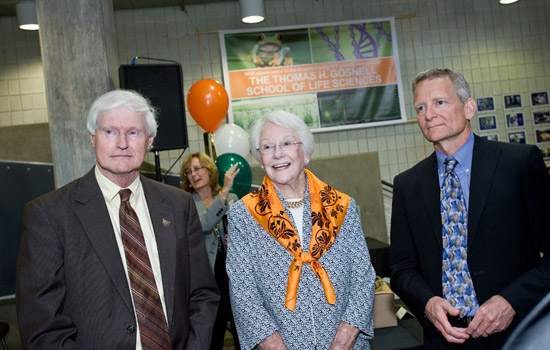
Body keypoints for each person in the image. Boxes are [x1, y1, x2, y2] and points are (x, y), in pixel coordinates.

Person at [16, 90, 219, 349]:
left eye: (133, 132)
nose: (122, 143)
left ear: (149, 141)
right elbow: (42, 327)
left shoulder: (178, 205)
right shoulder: (48, 215)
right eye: (110, 131)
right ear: (93, 138)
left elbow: (202, 293)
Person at [389, 68, 550, 349]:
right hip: (444, 338)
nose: (429, 114)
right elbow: (402, 270)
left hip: (518, 332)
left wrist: (511, 301)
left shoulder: (519, 164)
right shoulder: (407, 185)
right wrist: (427, 303)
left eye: (440, 102)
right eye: (420, 107)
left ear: (469, 107)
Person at [226, 110, 376, 349]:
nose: (277, 154)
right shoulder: (243, 216)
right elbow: (244, 294)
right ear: (259, 157)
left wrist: (345, 339)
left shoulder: (340, 207)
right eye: (267, 147)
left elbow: (363, 278)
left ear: (305, 152)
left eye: (286, 143)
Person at [179, 152, 240, 350]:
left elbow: (241, 230)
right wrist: (224, 191)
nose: (193, 174)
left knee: (242, 328)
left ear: (209, 170)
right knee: (214, 329)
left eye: (197, 169)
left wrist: (233, 238)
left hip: (233, 272)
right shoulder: (186, 202)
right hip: (209, 276)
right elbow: (204, 225)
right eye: (189, 172)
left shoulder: (232, 198)